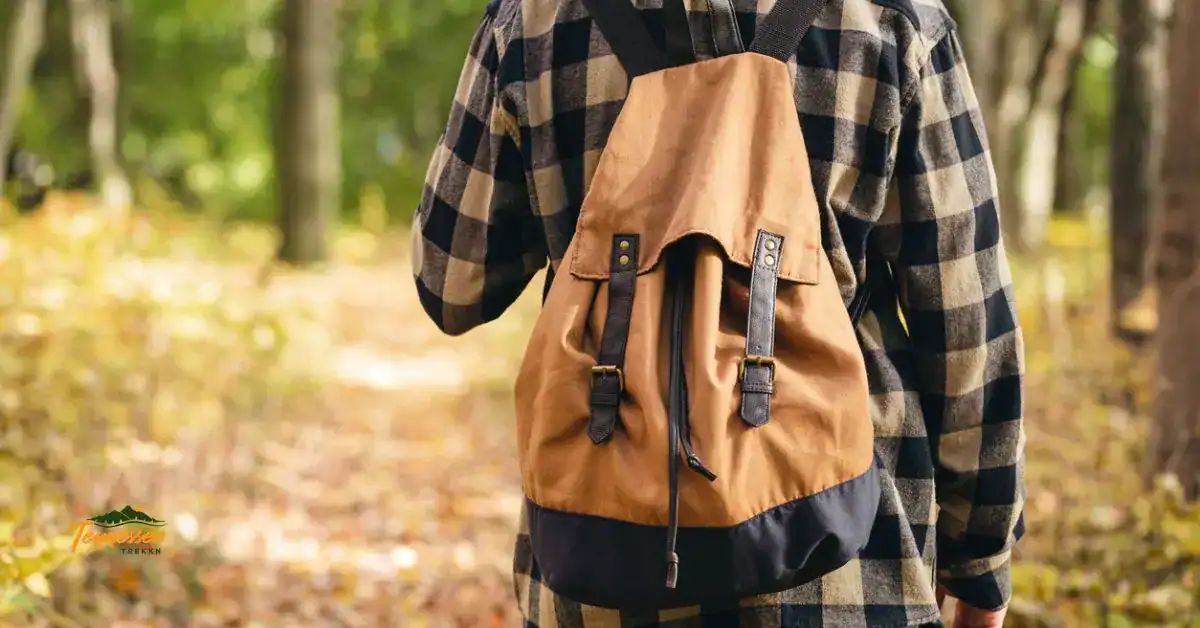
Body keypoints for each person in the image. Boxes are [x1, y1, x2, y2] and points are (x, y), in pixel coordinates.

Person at [412, 0, 1026, 626]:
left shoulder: (532, 22)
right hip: (846, 556)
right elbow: (968, 324)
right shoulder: (892, 19)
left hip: (602, 550)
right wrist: (981, 560)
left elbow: (451, 281)